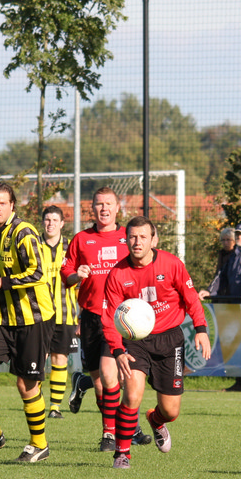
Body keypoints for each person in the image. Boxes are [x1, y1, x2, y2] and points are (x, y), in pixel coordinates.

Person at [102, 216, 211, 469]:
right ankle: (122, 454)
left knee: (171, 411)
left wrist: (201, 329)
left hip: (170, 339)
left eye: (143, 237)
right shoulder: (117, 274)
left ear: (154, 240)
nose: (137, 242)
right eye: (132, 237)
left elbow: (191, 298)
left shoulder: (172, 264)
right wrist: (117, 350)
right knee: (132, 395)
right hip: (135, 341)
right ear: (126, 240)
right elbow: (109, 318)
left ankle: (155, 420)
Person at [0, 182, 55, 463]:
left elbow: (38, 273)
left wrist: (1, 283)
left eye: (2, 203)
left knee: (26, 385)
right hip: (2, 317)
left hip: (33, 318)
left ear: (12, 205)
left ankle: (39, 444)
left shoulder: (23, 232)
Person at [60, 187, 150, 451]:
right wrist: (77, 275)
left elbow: (145, 265)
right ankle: (125, 425)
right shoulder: (81, 239)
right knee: (101, 385)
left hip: (120, 318)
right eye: (99, 204)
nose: (104, 208)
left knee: (114, 377)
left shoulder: (128, 237)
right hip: (91, 317)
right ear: (92, 208)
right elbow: (66, 273)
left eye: (108, 203)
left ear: (117, 207)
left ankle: (111, 435)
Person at [199, 223, 241, 391]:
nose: (239, 237)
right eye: (238, 234)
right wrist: (209, 291)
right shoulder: (234, 254)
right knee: (237, 345)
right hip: (235, 306)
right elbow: (221, 276)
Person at [40, 205, 80, 418]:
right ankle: (35, 401)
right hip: (38, 313)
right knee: (39, 359)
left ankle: (55, 407)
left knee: (60, 359)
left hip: (66, 313)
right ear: (42, 222)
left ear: (62, 223)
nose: (51, 224)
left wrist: (81, 316)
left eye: (55, 220)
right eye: (47, 219)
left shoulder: (71, 247)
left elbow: (81, 283)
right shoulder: (34, 245)